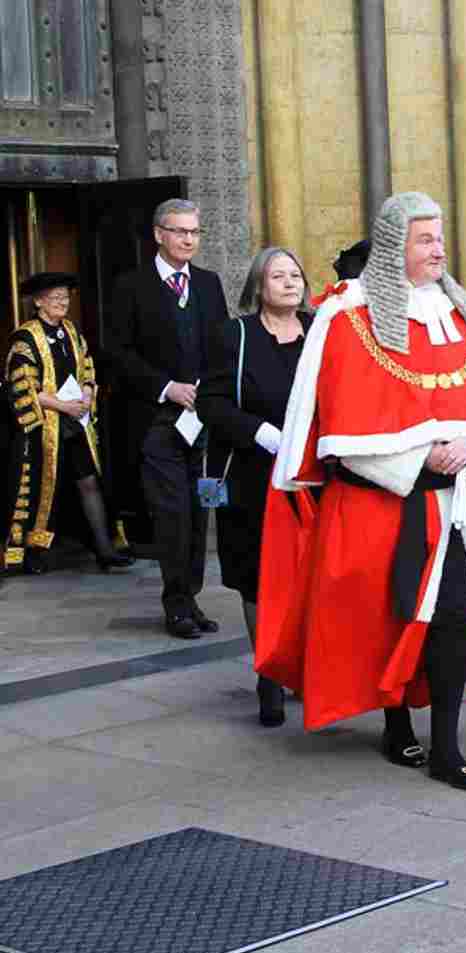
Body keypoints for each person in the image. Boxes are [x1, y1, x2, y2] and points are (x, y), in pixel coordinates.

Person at [260, 191, 466, 791]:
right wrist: (418, 456)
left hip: (456, 504)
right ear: (392, 248)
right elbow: (343, 427)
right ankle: (396, 723)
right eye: (425, 240)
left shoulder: (456, 314)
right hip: (382, 506)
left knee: (455, 617)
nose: (439, 250)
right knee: (392, 620)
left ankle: (447, 747)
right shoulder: (348, 319)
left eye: (440, 238)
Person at [198, 247, 312, 728]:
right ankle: (269, 674)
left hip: (311, 476)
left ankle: (304, 668)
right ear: (258, 287)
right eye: (278, 276)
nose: (289, 283)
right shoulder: (235, 334)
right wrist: (259, 432)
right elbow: (210, 402)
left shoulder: (321, 333)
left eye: (295, 275)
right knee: (258, 578)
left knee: (310, 575)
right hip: (251, 476)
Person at [107, 198, 230, 638]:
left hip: (202, 420)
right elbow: (117, 352)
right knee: (172, 513)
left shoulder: (209, 284)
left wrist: (211, 392)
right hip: (157, 421)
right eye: (180, 231)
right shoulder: (131, 286)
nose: (188, 239)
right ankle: (176, 605)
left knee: (198, 512)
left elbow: (221, 346)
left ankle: (191, 598)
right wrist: (166, 387)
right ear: (159, 234)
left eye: (194, 232)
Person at [4, 272, 132, 573]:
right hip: (43, 428)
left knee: (89, 481)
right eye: (56, 297)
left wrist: (87, 393)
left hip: (76, 424)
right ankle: (31, 554)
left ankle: (104, 548)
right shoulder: (25, 338)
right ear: (38, 302)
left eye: (65, 297)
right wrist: (63, 406)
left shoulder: (71, 332)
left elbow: (87, 367)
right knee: (41, 488)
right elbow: (24, 387)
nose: (63, 302)